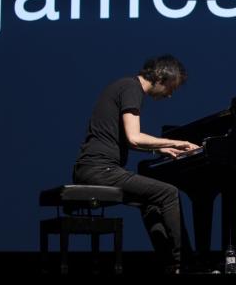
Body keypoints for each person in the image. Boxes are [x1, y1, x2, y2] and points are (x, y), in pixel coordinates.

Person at [73, 54, 198, 275]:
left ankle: (171, 264)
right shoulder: (131, 88)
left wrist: (158, 149)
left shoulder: (125, 86)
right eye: (171, 87)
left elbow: (123, 138)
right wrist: (178, 141)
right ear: (160, 76)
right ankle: (184, 263)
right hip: (100, 170)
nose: (170, 95)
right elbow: (134, 137)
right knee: (168, 193)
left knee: (150, 201)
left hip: (93, 169)